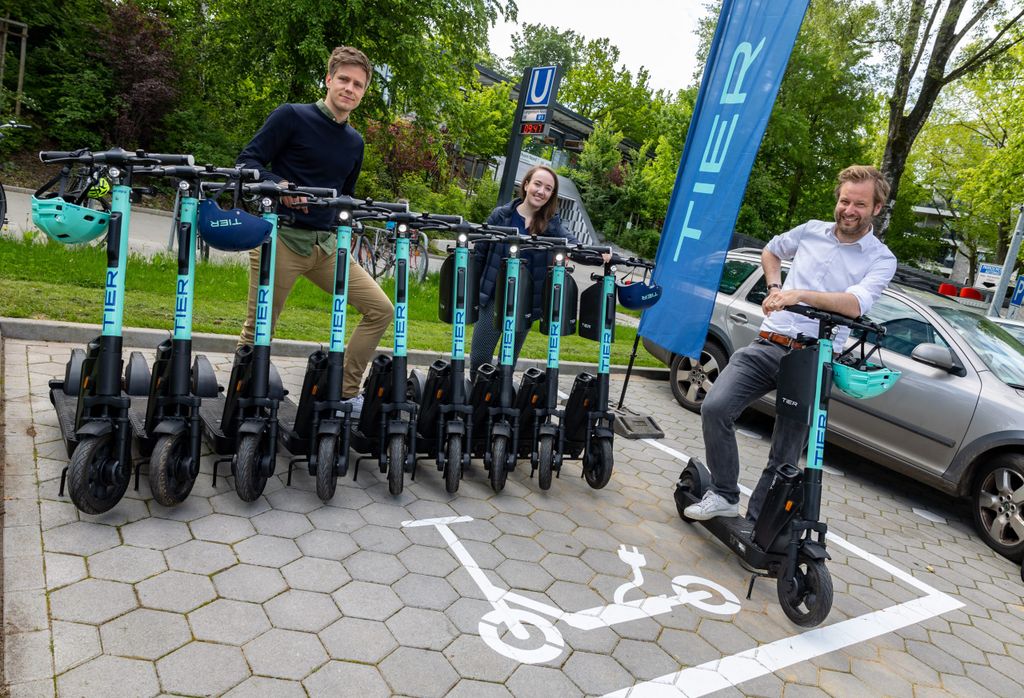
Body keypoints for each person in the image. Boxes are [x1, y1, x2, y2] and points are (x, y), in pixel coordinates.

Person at [684, 165, 897, 522]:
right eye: (844, 201)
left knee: (785, 453)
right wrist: (774, 287)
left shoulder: (881, 258)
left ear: (876, 208)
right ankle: (723, 494)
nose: (849, 210)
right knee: (715, 408)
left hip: (813, 358)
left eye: (859, 204)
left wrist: (800, 295)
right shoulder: (811, 230)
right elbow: (771, 251)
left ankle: (758, 525)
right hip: (769, 342)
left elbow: (854, 304)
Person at [236, 46, 392, 415]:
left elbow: (345, 195)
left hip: (327, 247)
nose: (350, 88)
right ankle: (242, 399)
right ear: (328, 80)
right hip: (281, 239)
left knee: (381, 310)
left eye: (358, 84)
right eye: (344, 80)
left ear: (364, 92)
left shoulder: (355, 142)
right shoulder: (291, 116)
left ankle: (344, 392)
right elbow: (246, 163)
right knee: (259, 328)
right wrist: (281, 187)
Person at [469, 165, 578, 375]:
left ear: (551, 195)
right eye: (538, 184)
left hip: (525, 302)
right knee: (480, 358)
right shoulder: (501, 216)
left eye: (548, 188)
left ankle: (501, 392)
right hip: (493, 297)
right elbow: (480, 254)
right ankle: (477, 391)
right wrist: (474, 292)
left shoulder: (551, 225)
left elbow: (573, 244)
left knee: (507, 362)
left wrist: (600, 255)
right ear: (526, 185)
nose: (541, 191)